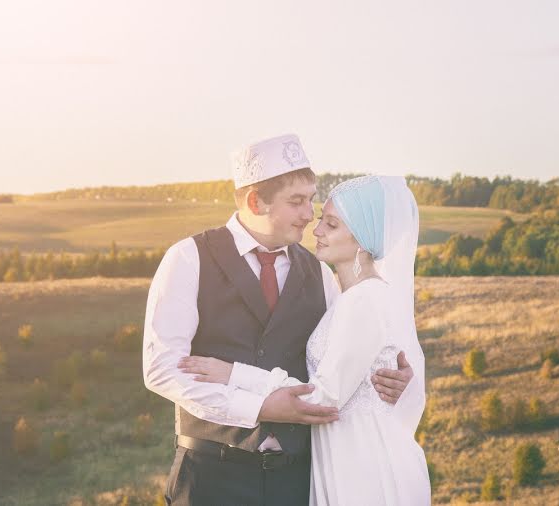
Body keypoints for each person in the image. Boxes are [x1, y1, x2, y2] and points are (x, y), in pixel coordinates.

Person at [142, 134, 415, 506]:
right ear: (256, 201)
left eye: (312, 200)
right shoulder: (188, 258)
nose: (309, 214)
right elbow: (162, 370)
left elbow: (342, 361)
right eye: (296, 202)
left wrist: (387, 376)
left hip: (298, 479)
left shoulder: (320, 274)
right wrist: (258, 409)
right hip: (211, 475)